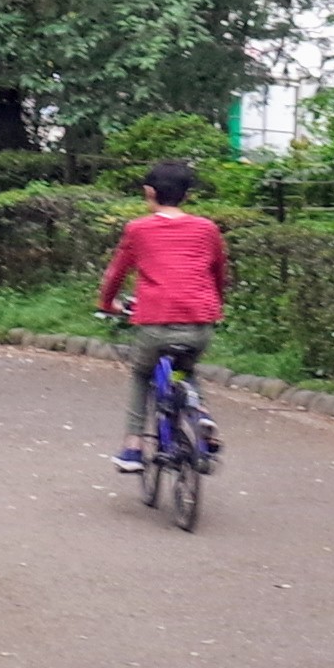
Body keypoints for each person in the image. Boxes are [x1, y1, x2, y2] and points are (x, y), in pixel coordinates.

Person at [96, 158, 230, 470]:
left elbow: (115, 274)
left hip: (156, 323)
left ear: (149, 192)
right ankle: (202, 415)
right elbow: (219, 274)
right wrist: (212, 305)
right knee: (184, 369)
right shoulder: (207, 229)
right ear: (186, 195)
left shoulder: (138, 229)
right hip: (200, 323)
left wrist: (107, 304)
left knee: (143, 374)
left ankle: (132, 447)